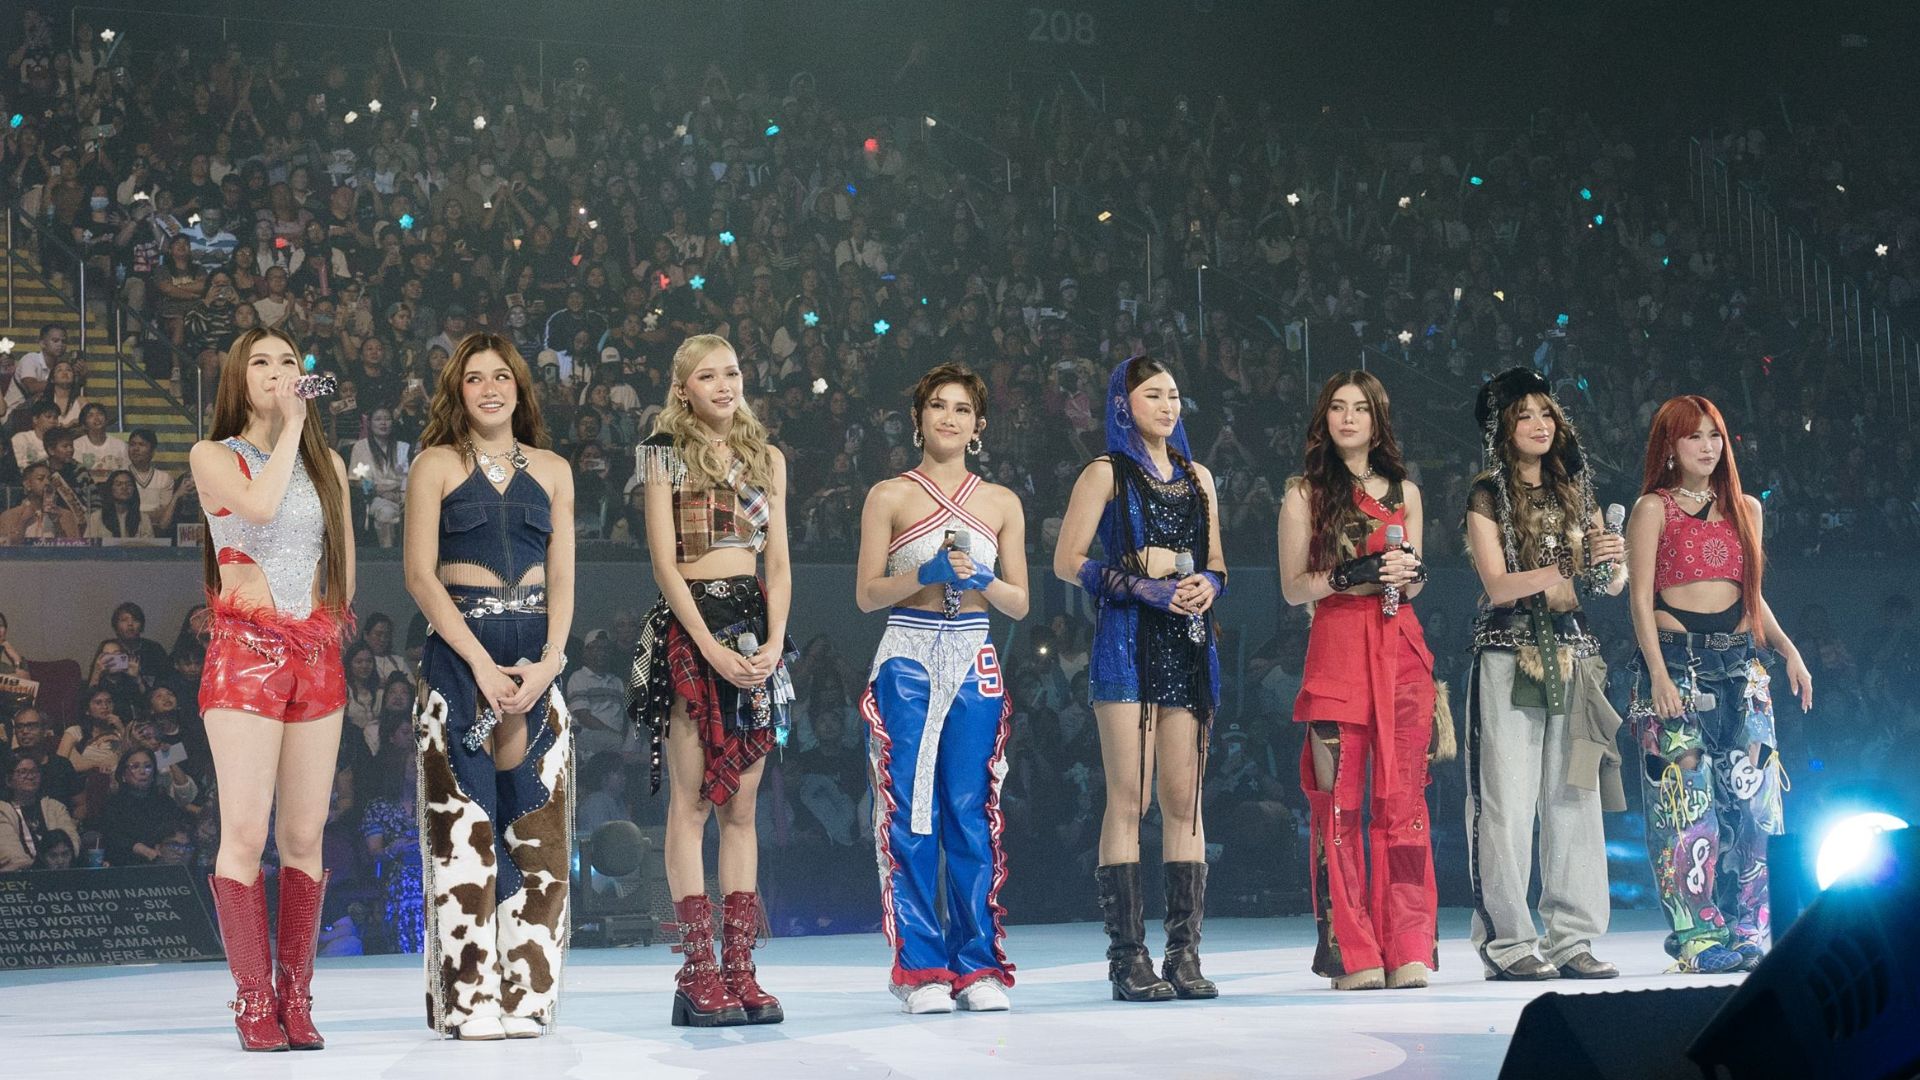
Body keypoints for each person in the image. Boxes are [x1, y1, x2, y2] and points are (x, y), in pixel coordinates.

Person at [405, 331, 576, 1040]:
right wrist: (478, 663)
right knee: (463, 833)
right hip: (459, 662)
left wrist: (551, 662)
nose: (489, 388)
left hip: (534, 664)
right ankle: (467, 997)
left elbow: (563, 577)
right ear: (458, 390)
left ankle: (527, 994)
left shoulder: (554, 470)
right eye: (474, 378)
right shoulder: (435, 465)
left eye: (501, 376)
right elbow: (420, 577)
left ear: (519, 387)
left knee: (537, 832)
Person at [191, 326, 354, 1051]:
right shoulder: (212, 455)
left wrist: (326, 626)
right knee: (247, 831)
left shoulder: (330, 466)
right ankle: (254, 999)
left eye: (288, 361)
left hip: (314, 655)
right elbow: (258, 507)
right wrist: (293, 425)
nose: (277, 371)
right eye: (261, 362)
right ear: (238, 377)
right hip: (245, 653)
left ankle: (298, 996)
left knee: (305, 833)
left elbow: (340, 564)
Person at [627, 333, 793, 1027]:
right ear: (682, 388)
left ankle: (740, 969)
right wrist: (706, 647)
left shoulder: (767, 457)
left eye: (732, 372)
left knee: (743, 811)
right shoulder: (661, 453)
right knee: (693, 804)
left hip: (754, 630)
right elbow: (664, 564)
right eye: (707, 376)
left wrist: (775, 642)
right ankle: (698, 971)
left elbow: (777, 563)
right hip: (692, 631)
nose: (724, 385)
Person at [853, 363, 1029, 1013]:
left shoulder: (1002, 502)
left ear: (979, 425)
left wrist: (981, 578)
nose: (948, 417)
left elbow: (1019, 602)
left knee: (970, 811)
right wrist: (923, 573)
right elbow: (867, 594)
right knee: (909, 811)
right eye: (937, 405)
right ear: (918, 418)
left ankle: (977, 966)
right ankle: (921, 967)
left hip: (975, 654)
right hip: (907, 653)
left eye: (961, 409)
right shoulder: (889, 496)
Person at [1053, 355, 1226, 1003]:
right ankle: (1128, 958)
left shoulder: (1199, 477)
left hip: (1187, 643)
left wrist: (1208, 585)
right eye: (1154, 394)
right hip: (1127, 642)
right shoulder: (1104, 472)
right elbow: (1067, 561)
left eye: (1174, 395)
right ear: (1124, 404)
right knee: (1130, 799)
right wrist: (1140, 584)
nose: (1168, 405)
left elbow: (1218, 562)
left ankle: (1184, 955)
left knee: (1186, 801)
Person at [1626, 395, 1812, 974]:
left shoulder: (1745, 508)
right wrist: (1657, 673)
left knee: (1753, 802)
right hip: (1676, 663)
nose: (1707, 447)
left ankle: (1748, 928)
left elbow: (1752, 596)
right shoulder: (1652, 509)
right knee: (1686, 804)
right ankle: (1697, 935)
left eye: (1715, 436)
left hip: (1740, 666)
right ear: (1670, 446)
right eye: (1693, 436)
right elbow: (1639, 601)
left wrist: (1788, 650)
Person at [1277, 371, 1439, 991]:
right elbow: (1294, 588)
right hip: (1338, 651)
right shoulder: (1304, 494)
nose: (1349, 418)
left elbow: (1414, 584)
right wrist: (1352, 574)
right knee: (1339, 806)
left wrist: (1405, 573)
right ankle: (1351, 950)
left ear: (1378, 420)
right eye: (1338, 408)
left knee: (1404, 803)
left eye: (1361, 408)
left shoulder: (1407, 492)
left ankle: (1409, 944)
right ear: (1324, 418)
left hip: (1402, 652)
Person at [1462, 368, 1626, 982]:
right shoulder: (1487, 492)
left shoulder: (1576, 490)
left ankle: (1572, 938)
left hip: (1573, 653)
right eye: (1524, 414)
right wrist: (1568, 564)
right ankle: (1508, 941)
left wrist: (1611, 561)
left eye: (1547, 413)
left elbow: (1608, 585)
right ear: (1502, 428)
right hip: (1510, 653)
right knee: (1506, 801)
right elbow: (1499, 585)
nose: (1539, 424)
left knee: (1574, 797)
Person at [0, 755, 80, 871]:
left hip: (59, 871)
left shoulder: (54, 807)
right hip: (21, 875)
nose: (30, 776)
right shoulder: (2, 810)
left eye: (34, 771)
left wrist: (59, 860)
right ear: (9, 780)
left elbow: (72, 844)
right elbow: (12, 856)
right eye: (23, 772)